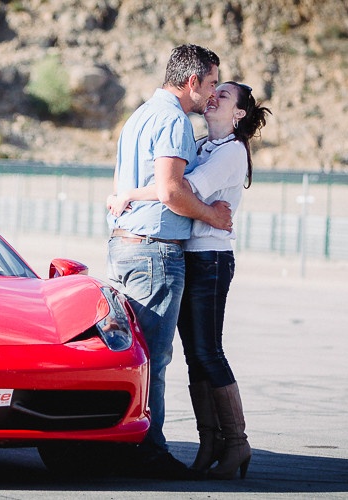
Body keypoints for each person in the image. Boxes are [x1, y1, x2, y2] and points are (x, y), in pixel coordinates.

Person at [109, 81, 272, 480]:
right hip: (190, 256)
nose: (214, 96)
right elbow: (175, 187)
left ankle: (236, 442)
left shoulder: (232, 151)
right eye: (215, 90)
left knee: (208, 352)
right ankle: (209, 443)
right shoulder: (202, 146)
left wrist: (130, 194)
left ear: (238, 114)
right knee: (195, 356)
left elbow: (181, 190)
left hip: (212, 259)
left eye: (224, 95)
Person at [106, 43, 232, 479]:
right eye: (211, 83)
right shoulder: (176, 121)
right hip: (155, 252)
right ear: (192, 81)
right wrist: (213, 215)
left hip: (124, 245)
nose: (213, 93)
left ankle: (122, 442)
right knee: (153, 360)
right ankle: (148, 452)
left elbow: (125, 185)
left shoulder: (139, 116)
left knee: (129, 355)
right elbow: (171, 191)